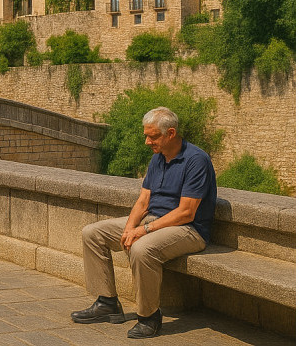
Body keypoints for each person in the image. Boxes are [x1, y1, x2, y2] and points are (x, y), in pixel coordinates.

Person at [70, 106, 217, 339]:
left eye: (153, 136)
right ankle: (107, 303)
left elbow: (186, 212)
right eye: (146, 135)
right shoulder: (158, 158)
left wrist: (143, 230)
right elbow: (143, 200)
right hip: (154, 221)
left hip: (188, 230)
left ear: (170, 133)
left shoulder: (196, 160)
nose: (148, 142)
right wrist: (130, 228)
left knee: (142, 248)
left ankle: (149, 317)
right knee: (92, 233)